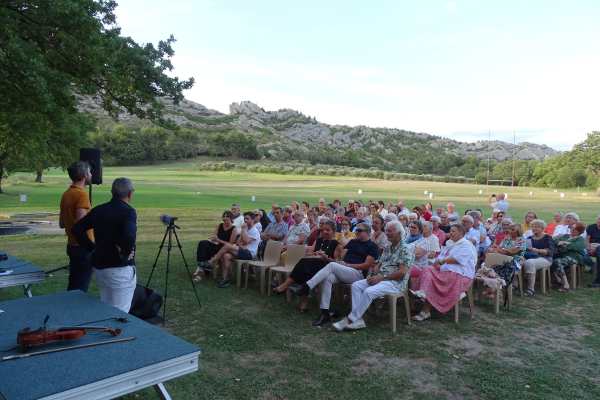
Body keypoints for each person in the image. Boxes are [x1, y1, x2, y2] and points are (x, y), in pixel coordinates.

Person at [332, 221, 413, 331]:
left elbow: (402, 272)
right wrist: (373, 274)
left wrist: (381, 278)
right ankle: (358, 320)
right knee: (356, 285)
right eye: (386, 231)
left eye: (390, 231)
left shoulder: (405, 249)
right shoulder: (388, 247)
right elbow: (378, 264)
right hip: (381, 278)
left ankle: (351, 319)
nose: (387, 233)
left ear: (399, 232)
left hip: (395, 282)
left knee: (368, 292)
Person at [72, 178, 137, 312]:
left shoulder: (99, 210)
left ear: (112, 192)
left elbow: (77, 229)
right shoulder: (128, 212)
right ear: (130, 194)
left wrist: (92, 248)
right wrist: (125, 253)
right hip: (119, 269)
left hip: (100, 267)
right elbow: (129, 235)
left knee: (106, 307)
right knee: (121, 312)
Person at [411, 224, 476, 321]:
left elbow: (457, 259)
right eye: (450, 231)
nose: (451, 233)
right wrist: (438, 262)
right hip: (447, 270)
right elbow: (441, 256)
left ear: (461, 233)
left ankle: (425, 309)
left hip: (460, 275)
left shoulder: (466, 245)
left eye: (453, 231)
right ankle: (423, 294)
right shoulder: (451, 243)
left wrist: (441, 262)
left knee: (432, 279)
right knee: (427, 269)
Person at [273, 220, 342, 311]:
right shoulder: (319, 240)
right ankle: (303, 302)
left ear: (333, 231)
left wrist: (326, 257)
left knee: (305, 266)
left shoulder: (336, 244)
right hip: (312, 264)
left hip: (325, 267)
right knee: (305, 265)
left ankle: (286, 287)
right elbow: (309, 253)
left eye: (328, 230)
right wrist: (315, 253)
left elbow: (335, 262)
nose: (325, 232)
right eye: (323, 230)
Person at [59, 161, 93, 292]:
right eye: (89, 172)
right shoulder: (81, 194)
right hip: (82, 248)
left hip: (72, 246)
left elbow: (62, 224)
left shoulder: (66, 194)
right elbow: (81, 226)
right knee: (80, 289)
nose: (91, 174)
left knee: (74, 285)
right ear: (84, 175)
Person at [208, 211, 261, 288]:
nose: (245, 220)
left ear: (252, 220)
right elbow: (238, 242)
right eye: (245, 219)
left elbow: (246, 241)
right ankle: (225, 279)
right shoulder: (246, 229)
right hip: (242, 251)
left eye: (247, 219)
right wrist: (242, 243)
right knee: (226, 255)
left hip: (249, 254)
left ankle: (211, 261)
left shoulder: (255, 231)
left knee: (227, 246)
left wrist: (243, 230)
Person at [193, 211, 238, 280]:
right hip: (216, 245)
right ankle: (202, 264)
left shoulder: (234, 229)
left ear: (231, 218)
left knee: (206, 249)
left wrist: (219, 240)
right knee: (203, 243)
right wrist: (212, 239)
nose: (225, 218)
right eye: (224, 216)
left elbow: (230, 244)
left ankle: (202, 269)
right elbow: (214, 235)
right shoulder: (220, 225)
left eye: (227, 216)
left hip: (224, 249)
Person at [523, 219, 555, 296]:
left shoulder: (547, 237)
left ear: (542, 228)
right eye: (533, 227)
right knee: (517, 260)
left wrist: (536, 250)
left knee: (529, 262)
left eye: (537, 227)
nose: (534, 228)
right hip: (530, 257)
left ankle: (530, 289)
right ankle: (515, 284)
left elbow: (549, 252)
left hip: (545, 259)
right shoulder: (529, 238)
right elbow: (525, 250)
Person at [552, 222, 586, 292]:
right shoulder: (566, 236)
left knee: (557, 262)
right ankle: (559, 280)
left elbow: (576, 247)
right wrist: (560, 243)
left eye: (574, 229)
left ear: (579, 231)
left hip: (574, 258)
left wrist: (564, 244)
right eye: (571, 228)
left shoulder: (580, 239)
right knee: (550, 260)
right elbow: (554, 240)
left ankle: (565, 284)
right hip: (561, 256)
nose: (571, 230)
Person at [409, 221, 440, 287]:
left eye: (424, 226)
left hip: (426, 262)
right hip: (414, 261)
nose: (422, 228)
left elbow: (432, 254)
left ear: (430, 229)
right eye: (422, 226)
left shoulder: (434, 239)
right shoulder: (421, 237)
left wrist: (422, 253)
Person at [586, 215, 600, 288]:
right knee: (583, 254)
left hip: (598, 247)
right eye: (599, 219)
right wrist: (588, 248)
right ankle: (592, 266)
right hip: (591, 246)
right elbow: (587, 239)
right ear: (597, 220)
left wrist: (596, 248)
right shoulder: (591, 227)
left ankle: (597, 281)